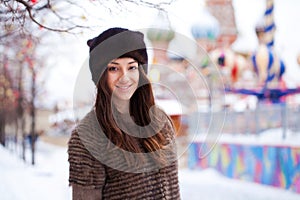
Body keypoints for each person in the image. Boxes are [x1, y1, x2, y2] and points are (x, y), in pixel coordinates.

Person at [68, 27, 181, 199]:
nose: (124, 77)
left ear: (141, 71)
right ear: (100, 75)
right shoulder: (87, 137)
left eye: (131, 67)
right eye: (113, 68)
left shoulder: (160, 122)